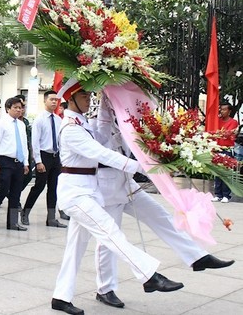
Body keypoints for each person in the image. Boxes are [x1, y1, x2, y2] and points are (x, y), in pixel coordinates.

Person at [51, 79, 184, 315]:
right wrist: (146, 167)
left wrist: (106, 96)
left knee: (76, 248)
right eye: (83, 96)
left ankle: (61, 297)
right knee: (111, 233)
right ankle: (148, 274)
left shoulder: (83, 124)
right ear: (70, 99)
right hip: (76, 194)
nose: (88, 99)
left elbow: (103, 128)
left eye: (90, 96)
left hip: (88, 191)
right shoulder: (71, 128)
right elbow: (103, 154)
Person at [91, 94, 235, 309]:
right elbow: (104, 145)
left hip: (128, 184)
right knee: (109, 241)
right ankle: (105, 289)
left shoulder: (127, 124)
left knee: (161, 216)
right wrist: (107, 101)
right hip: (108, 187)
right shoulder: (98, 124)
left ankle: (197, 257)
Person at [22, 90, 67, 228]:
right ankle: (25, 212)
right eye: (51, 99)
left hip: (56, 157)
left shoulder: (59, 120)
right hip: (44, 156)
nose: (54, 102)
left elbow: (61, 141)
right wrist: (39, 161)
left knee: (53, 188)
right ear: (45, 101)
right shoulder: (40, 119)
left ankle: (51, 218)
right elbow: (35, 142)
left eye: (56, 100)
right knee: (39, 187)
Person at [0, 97, 29, 231]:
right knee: (3, 190)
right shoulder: (1, 123)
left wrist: (26, 163)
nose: (18, 110)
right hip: (5, 161)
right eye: (15, 107)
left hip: (19, 162)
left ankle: (13, 223)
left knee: (16, 193)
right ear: (8, 109)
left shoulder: (21, 124)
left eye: (20, 108)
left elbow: (24, 145)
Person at [212, 102, 239, 203]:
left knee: (226, 173)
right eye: (221, 109)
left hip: (227, 149)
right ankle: (218, 194)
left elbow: (228, 134)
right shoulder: (217, 121)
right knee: (217, 172)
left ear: (229, 111)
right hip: (217, 148)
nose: (222, 111)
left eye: (224, 109)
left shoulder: (233, 122)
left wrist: (219, 133)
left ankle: (226, 195)